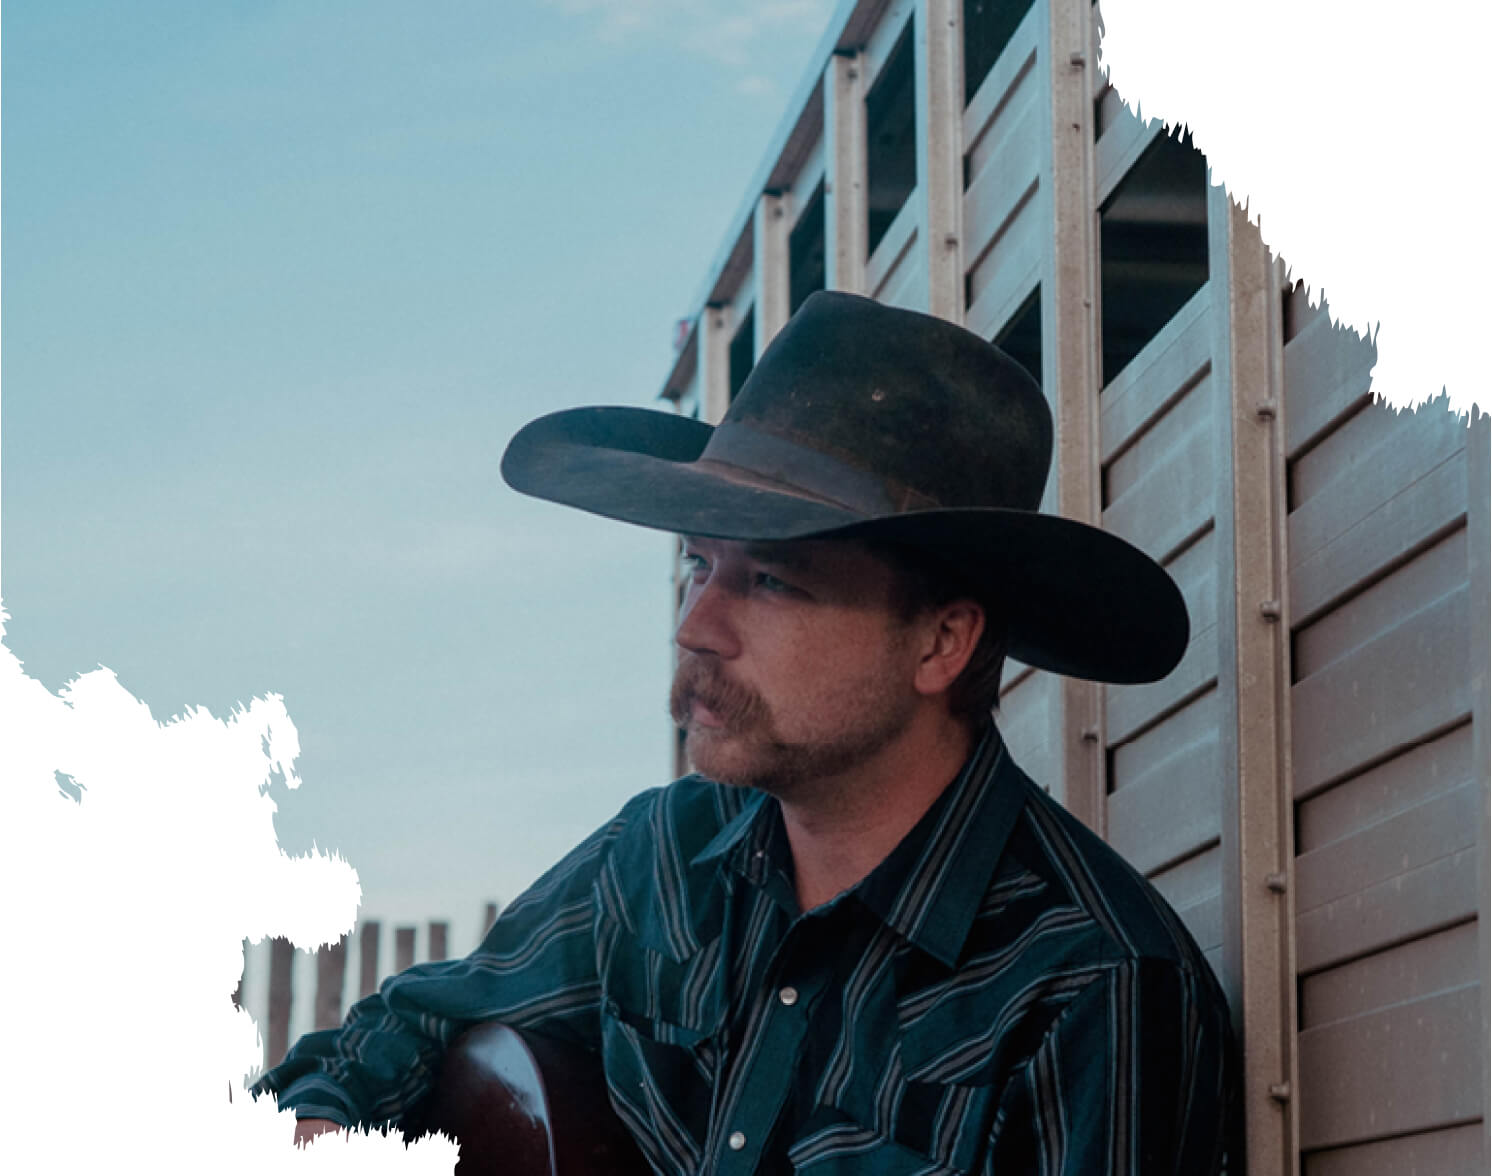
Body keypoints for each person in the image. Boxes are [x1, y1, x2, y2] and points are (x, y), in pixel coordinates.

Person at [254, 292, 1237, 1173]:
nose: (696, 627)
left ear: (941, 642)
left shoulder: (1095, 988)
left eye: (769, 581)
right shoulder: (661, 861)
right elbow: (408, 1027)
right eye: (699, 567)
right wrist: (323, 1134)